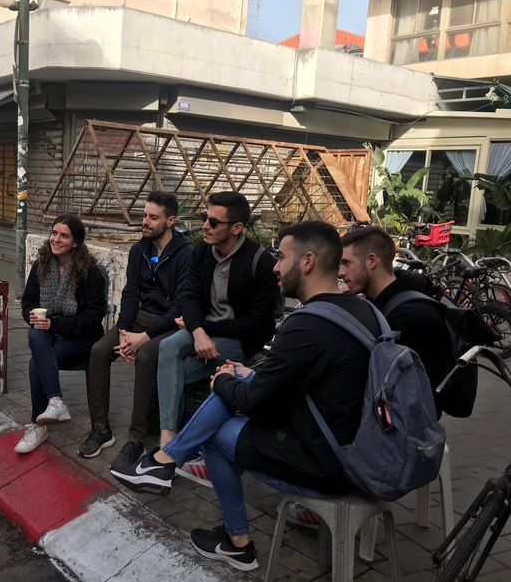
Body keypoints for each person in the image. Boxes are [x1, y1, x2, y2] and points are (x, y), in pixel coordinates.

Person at [110, 221, 380, 573]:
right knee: (234, 383)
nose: (276, 267)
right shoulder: (362, 311)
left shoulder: (307, 324)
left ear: (308, 261)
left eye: (282, 258)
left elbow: (256, 404)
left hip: (329, 464)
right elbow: (303, 384)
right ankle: (164, 463)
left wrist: (223, 381)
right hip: (360, 445)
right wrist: (245, 375)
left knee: (217, 433)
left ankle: (233, 537)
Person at [154, 191, 279, 452]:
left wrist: (203, 329)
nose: (205, 226)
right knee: (168, 348)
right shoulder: (202, 252)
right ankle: (169, 436)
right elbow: (188, 297)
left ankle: (191, 443)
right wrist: (198, 331)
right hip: (203, 331)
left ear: (236, 228)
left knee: (174, 374)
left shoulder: (260, 262)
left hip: (239, 341)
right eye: (204, 218)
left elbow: (259, 326)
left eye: (213, 222)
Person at [78, 191, 193, 465]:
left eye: (153, 217)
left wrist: (143, 338)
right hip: (139, 319)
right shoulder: (139, 249)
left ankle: (136, 438)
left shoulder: (186, 254)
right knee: (99, 350)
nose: (146, 221)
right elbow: (130, 293)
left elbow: (180, 306)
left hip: (169, 324)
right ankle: (101, 428)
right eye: (144, 215)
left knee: (146, 356)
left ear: (170, 221)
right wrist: (123, 332)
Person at [17, 214, 107, 454]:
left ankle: (38, 424)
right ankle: (56, 402)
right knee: (36, 336)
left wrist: (53, 324)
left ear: (76, 242)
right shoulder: (42, 264)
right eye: (54, 233)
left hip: (81, 338)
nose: (56, 239)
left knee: (37, 362)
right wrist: (32, 316)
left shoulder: (91, 273)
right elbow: (28, 301)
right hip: (51, 332)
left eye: (64, 235)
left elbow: (91, 321)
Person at [340, 226, 451, 417]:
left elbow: (383, 383)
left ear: (372, 261)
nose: (340, 272)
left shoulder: (409, 316)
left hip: (405, 431)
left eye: (346, 263)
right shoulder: (385, 301)